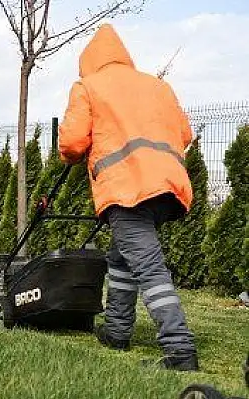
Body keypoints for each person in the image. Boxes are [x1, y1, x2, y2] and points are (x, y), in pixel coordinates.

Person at [58, 24, 198, 371]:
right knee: (122, 258)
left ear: (88, 61)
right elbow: (186, 133)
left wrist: (77, 153)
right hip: (168, 187)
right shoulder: (157, 85)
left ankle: (179, 349)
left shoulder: (88, 86)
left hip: (126, 188)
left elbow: (72, 143)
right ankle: (117, 331)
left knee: (148, 266)